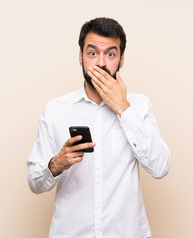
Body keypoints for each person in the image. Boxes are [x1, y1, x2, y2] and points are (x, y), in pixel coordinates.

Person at [27, 17, 171, 238]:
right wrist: (56, 164)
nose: (101, 63)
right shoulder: (56, 109)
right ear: (80, 57)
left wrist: (123, 107)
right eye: (92, 53)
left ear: (121, 60)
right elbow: (35, 181)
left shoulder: (140, 106)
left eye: (110, 54)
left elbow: (160, 167)